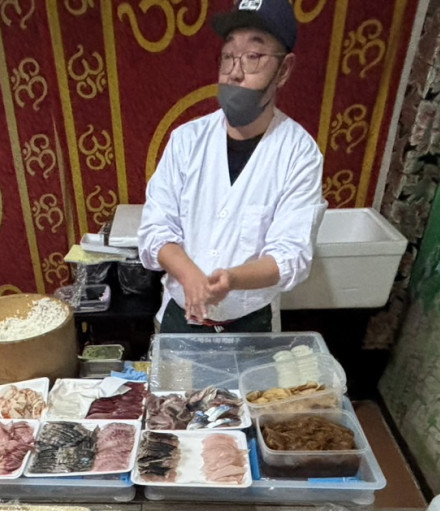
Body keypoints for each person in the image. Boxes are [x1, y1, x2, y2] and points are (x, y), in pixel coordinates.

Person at [138, 0, 326, 334]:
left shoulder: (299, 153)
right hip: (180, 317)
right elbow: (155, 230)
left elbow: (290, 256)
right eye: (228, 56)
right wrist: (189, 275)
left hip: (250, 322)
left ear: (284, 69)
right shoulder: (186, 140)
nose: (235, 72)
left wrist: (232, 279)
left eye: (253, 56)